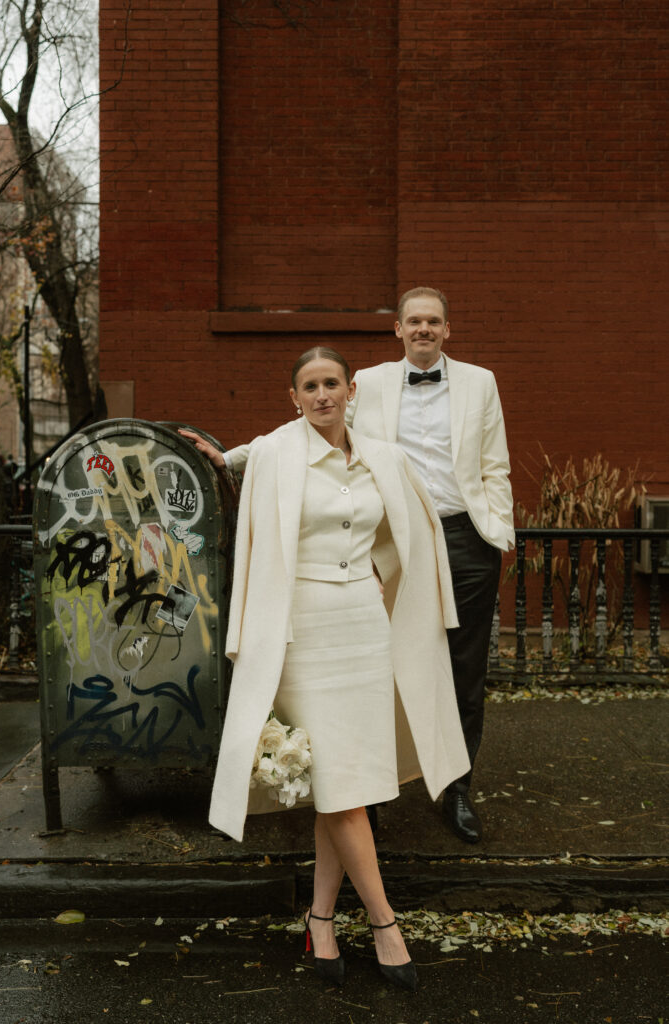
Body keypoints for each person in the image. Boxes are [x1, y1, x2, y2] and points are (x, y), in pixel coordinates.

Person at [180, 347, 469, 990]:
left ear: (350, 390)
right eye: (309, 386)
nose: (322, 395)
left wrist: (393, 578)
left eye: (331, 383)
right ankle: (385, 923)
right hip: (302, 632)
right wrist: (218, 459)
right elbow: (249, 456)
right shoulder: (280, 451)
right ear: (295, 397)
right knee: (341, 787)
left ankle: (320, 919)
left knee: (347, 786)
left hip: (364, 626)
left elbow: (411, 528)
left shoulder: (382, 457)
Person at [345, 287, 514, 844]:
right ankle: (369, 793)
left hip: (465, 538)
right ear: (397, 329)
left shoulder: (479, 382)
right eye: (414, 321)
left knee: (465, 670)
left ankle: (457, 788)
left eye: (433, 321)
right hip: (392, 540)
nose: (424, 329)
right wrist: (232, 457)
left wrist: (498, 533)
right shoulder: (366, 383)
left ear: (448, 329)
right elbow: (313, 424)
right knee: (379, 664)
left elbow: (495, 464)